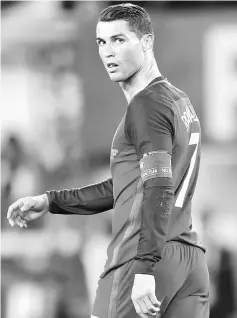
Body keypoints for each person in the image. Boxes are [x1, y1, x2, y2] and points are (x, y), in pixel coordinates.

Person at [7, 3, 209, 318]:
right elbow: (128, 187)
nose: (108, 53)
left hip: (141, 260)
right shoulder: (179, 101)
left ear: (146, 42)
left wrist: (143, 266)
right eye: (102, 42)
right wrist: (50, 201)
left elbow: (158, 187)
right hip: (188, 260)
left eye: (119, 40)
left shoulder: (146, 108)